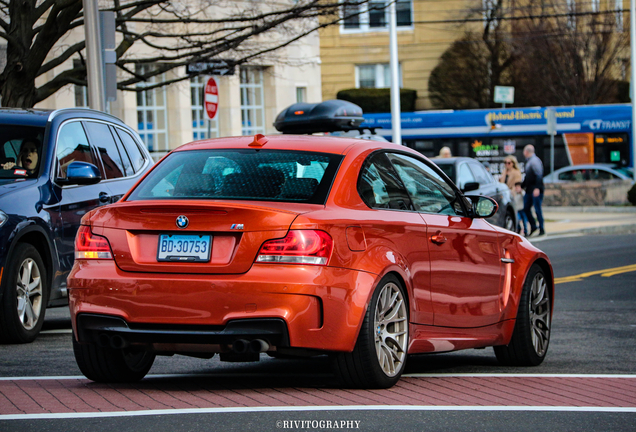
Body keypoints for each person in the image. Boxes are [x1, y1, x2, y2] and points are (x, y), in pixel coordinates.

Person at [521, 144, 545, 236]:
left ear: (527, 152)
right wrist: (522, 186)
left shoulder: (535, 161)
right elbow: (528, 177)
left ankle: (542, 228)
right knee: (526, 208)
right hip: (529, 190)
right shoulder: (529, 162)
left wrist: (537, 188)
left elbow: (539, 175)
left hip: (535, 190)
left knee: (537, 209)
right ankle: (533, 226)